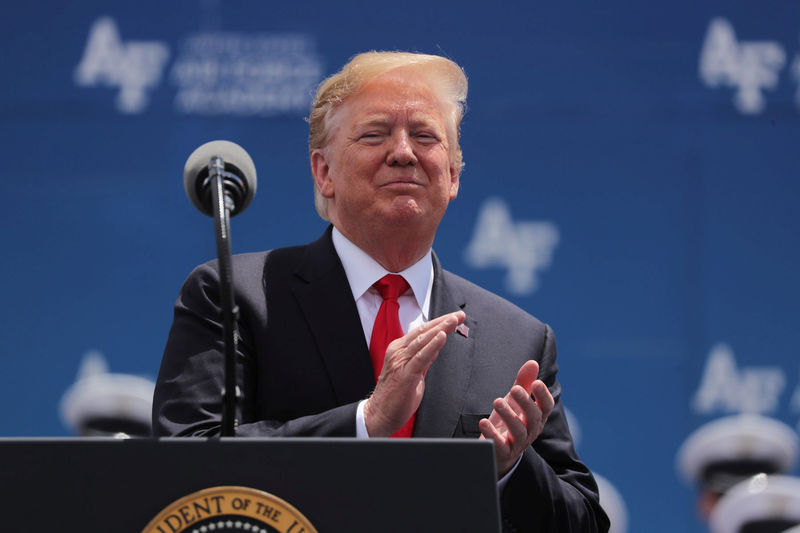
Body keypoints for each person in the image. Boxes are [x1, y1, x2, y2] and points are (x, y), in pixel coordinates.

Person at [153, 51, 609, 532]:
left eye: (425, 136)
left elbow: (583, 522)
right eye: (375, 134)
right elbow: (182, 464)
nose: (403, 152)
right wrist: (364, 423)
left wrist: (508, 470)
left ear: (453, 176)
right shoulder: (238, 296)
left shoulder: (516, 340)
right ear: (323, 172)